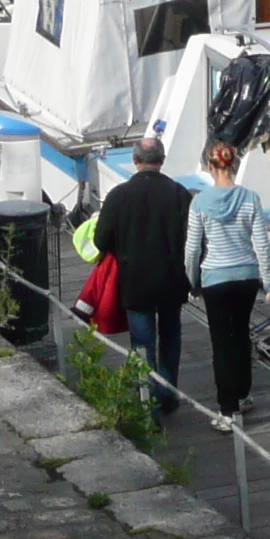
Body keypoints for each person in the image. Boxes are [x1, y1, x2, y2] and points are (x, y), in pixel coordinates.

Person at [91, 137, 191, 411]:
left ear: (135, 161)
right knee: (171, 336)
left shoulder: (118, 196)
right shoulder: (180, 193)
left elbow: (101, 241)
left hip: (134, 281)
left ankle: (147, 401)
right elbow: (191, 239)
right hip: (172, 280)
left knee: (142, 342)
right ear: (162, 160)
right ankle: (168, 393)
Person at [184, 141, 270, 418]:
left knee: (221, 342)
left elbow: (192, 248)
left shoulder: (199, 202)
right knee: (240, 335)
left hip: (215, 278)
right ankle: (243, 393)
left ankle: (228, 411)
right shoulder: (250, 198)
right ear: (233, 165)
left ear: (211, 167)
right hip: (246, 277)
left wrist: (192, 281)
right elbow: (261, 244)